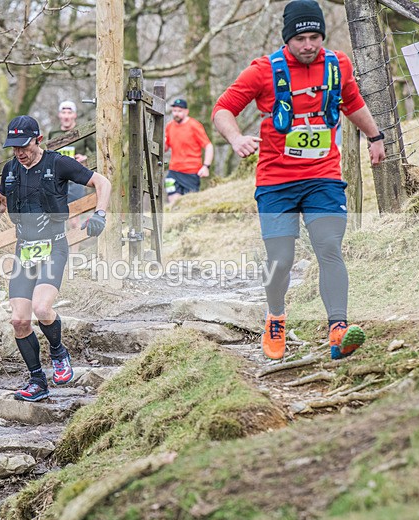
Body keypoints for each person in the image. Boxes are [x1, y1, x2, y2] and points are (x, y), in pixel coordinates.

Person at [212, 0, 386, 361]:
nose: (308, 45)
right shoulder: (263, 71)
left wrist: (375, 137)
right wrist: (236, 138)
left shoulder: (337, 65)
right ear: (287, 39)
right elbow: (222, 109)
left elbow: (352, 102)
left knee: (329, 247)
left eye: (315, 37)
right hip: (276, 182)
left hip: (323, 176)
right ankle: (275, 317)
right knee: (281, 258)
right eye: (300, 39)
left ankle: (338, 329)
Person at [0, 115, 111, 402]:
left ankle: (59, 352)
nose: (19, 152)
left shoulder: (57, 163)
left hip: (53, 246)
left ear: (38, 139)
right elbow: (0, 199)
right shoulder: (10, 169)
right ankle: (37, 380)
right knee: (18, 320)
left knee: (41, 308)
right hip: (24, 250)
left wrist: (100, 213)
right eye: (14, 147)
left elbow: (102, 182)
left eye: (24, 146)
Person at [47, 100, 95, 223]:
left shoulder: (83, 131)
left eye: (69, 113)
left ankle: (76, 234)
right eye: (64, 113)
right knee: (57, 215)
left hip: (76, 178)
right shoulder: (53, 132)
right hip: (57, 179)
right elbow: (48, 153)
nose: (66, 116)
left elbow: (97, 151)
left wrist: (85, 157)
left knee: (74, 216)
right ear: (59, 115)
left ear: (75, 115)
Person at [164, 98, 214, 206]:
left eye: (179, 111)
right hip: (173, 171)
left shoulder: (194, 125)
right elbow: (165, 147)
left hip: (191, 172)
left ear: (186, 111)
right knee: (173, 202)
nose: (176, 114)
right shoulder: (169, 126)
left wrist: (206, 166)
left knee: (189, 205)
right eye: (174, 111)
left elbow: (208, 146)